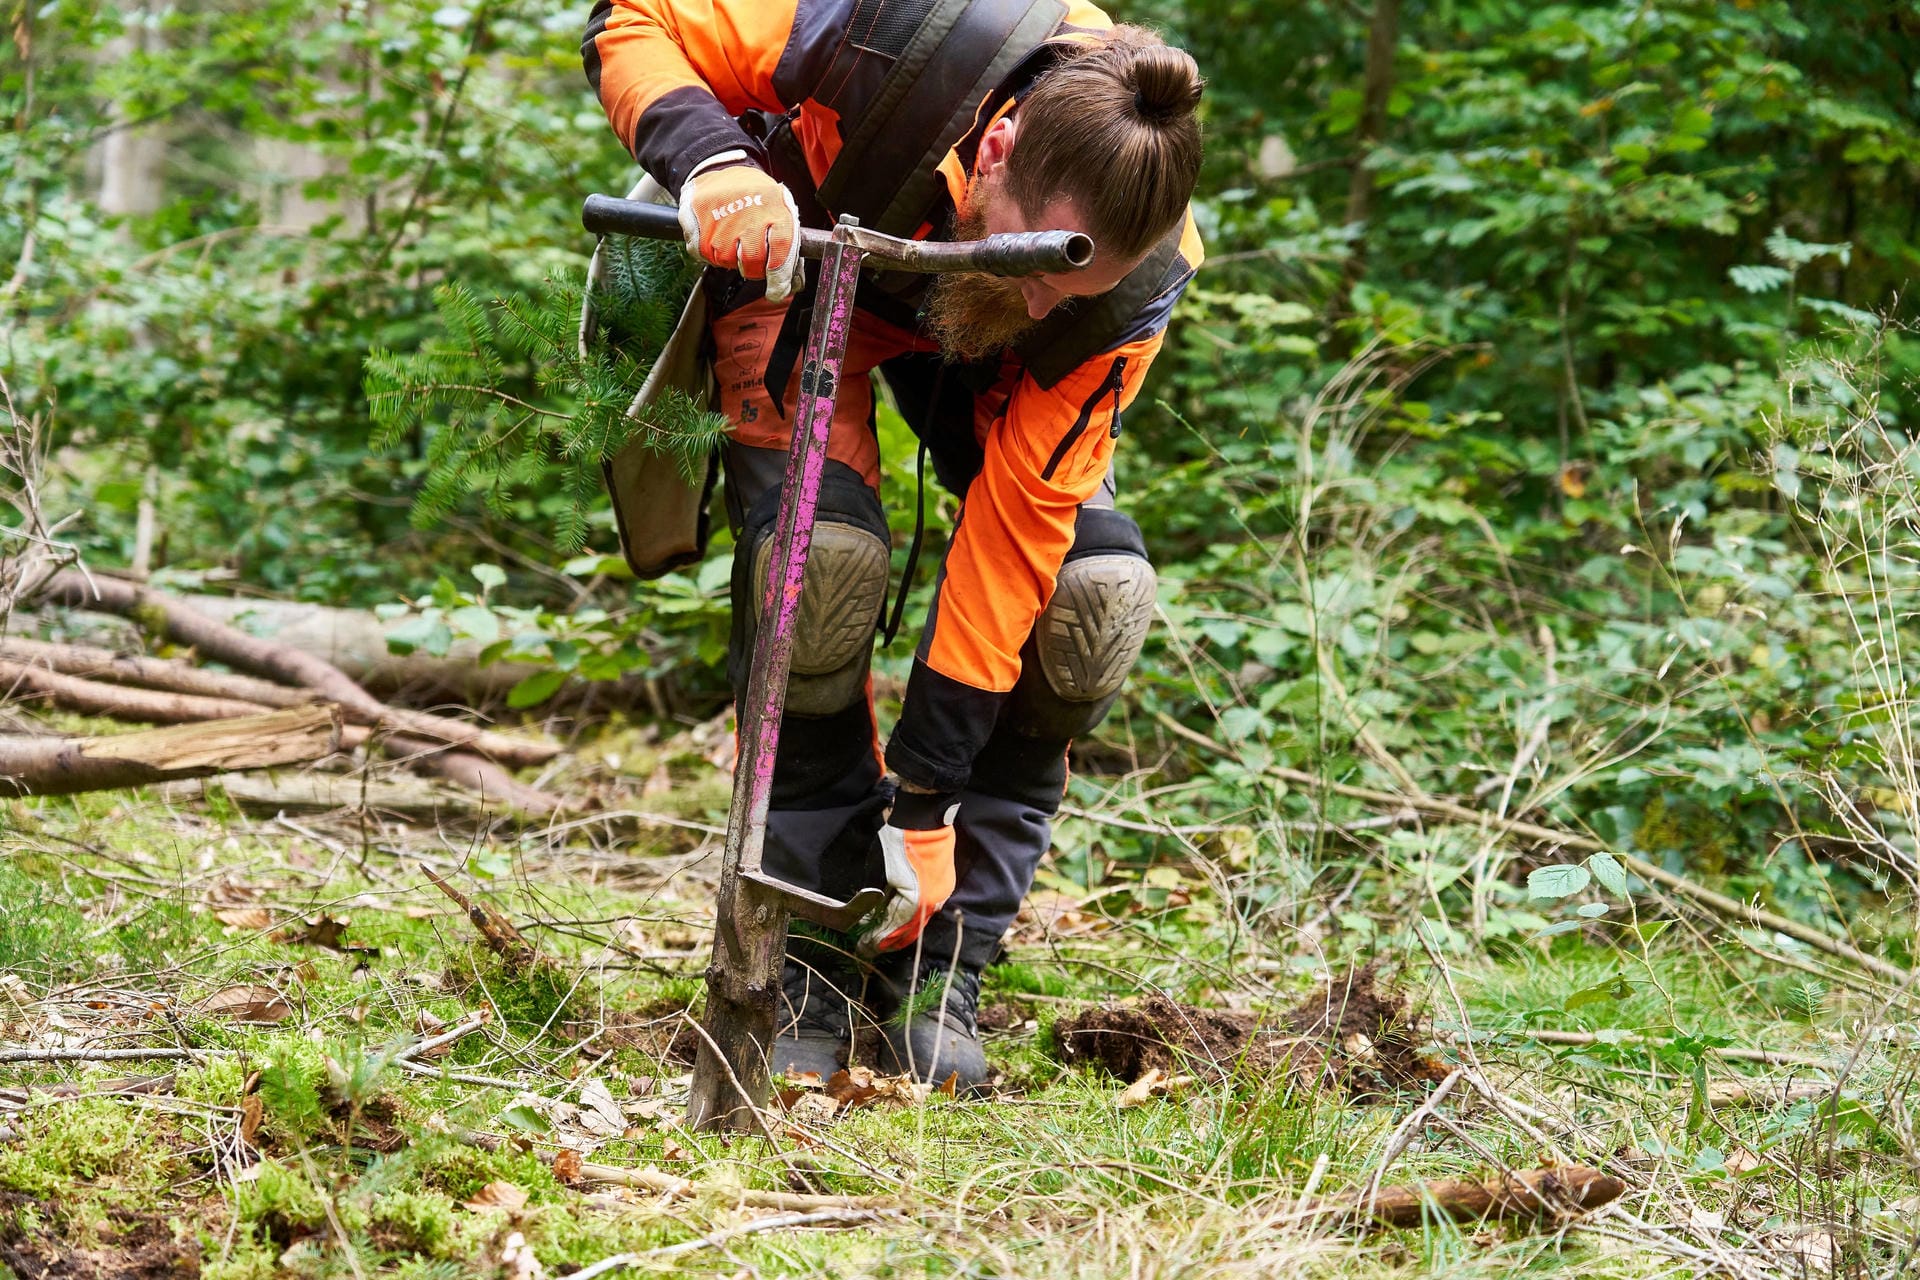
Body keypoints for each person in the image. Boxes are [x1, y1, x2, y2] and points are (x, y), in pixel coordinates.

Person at [583, 0, 1204, 1089]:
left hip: (968, 334)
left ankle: (942, 957)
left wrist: (924, 800)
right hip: (802, 256)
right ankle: (814, 950)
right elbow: (627, 20)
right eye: (1042, 264)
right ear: (998, 144)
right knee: (814, 571)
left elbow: (1013, 540)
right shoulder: (875, 31)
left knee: (1088, 600)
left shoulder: (1122, 291)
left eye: (1073, 285)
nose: (1046, 300)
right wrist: (711, 160)